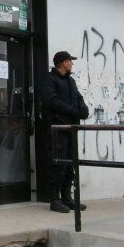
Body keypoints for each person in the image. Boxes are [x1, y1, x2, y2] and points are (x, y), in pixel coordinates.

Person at [42, 51, 89, 213]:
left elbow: (79, 98)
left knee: (70, 164)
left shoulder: (70, 81)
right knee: (58, 164)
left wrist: (83, 108)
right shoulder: (50, 80)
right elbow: (51, 101)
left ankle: (67, 198)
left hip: (71, 129)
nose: (72, 64)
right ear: (64, 63)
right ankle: (55, 200)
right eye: (70, 61)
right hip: (57, 129)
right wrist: (72, 111)